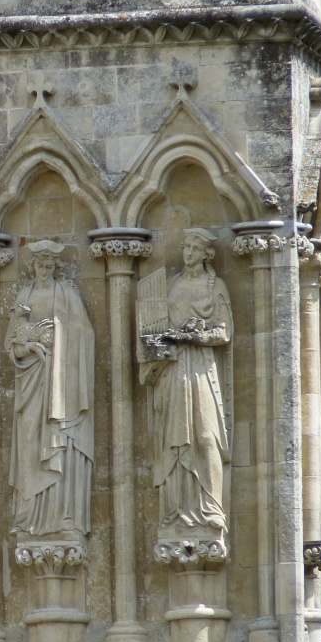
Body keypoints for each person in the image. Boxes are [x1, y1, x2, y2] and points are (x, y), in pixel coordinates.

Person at [6, 240, 94, 539]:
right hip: (31, 380)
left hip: (61, 382)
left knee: (58, 441)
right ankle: (30, 515)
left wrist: (57, 336)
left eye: (48, 265)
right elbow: (12, 346)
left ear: (55, 267)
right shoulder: (24, 295)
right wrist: (28, 345)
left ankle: (60, 515)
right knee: (30, 441)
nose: (43, 270)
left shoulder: (67, 294)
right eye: (39, 265)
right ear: (33, 266)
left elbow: (84, 334)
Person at [145, 228, 231, 535]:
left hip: (200, 368)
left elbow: (223, 331)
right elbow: (153, 326)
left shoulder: (214, 286)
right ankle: (177, 510)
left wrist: (195, 335)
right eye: (186, 247)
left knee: (205, 436)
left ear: (206, 253)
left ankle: (210, 509)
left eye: (195, 248)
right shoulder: (172, 285)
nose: (188, 253)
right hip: (173, 369)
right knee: (173, 439)